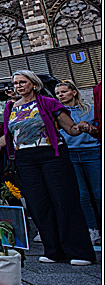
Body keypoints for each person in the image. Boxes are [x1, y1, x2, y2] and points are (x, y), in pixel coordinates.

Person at [0, 71, 95, 266]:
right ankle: (54, 251)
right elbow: (10, 135)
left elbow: (70, 128)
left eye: (22, 82)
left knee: (64, 201)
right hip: (25, 159)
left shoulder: (48, 102)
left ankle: (79, 252)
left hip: (52, 156)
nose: (18, 86)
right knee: (38, 205)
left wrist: (81, 127)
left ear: (34, 84)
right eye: (15, 83)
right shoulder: (11, 107)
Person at [55, 80, 102, 245]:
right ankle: (92, 229)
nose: (60, 95)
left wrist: (90, 129)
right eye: (58, 93)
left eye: (64, 92)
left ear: (74, 92)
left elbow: (98, 129)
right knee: (82, 195)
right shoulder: (59, 113)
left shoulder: (90, 109)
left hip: (92, 151)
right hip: (71, 153)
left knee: (99, 193)